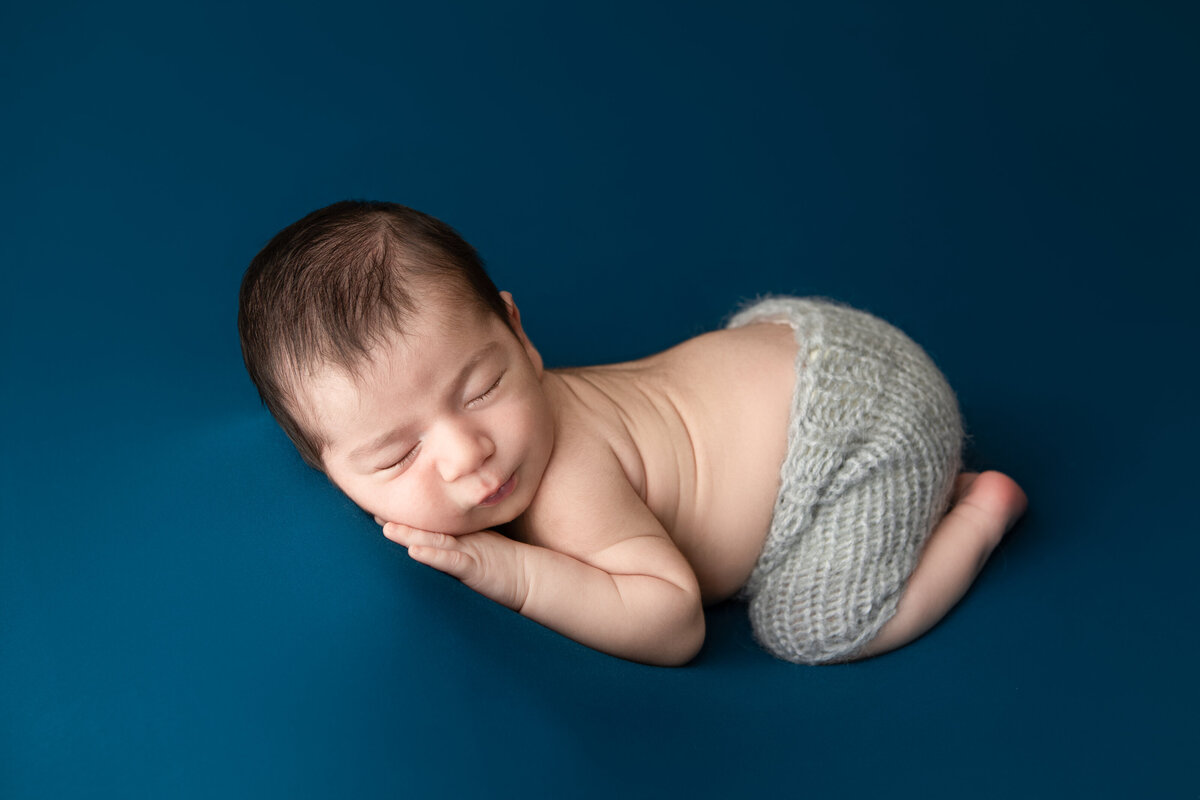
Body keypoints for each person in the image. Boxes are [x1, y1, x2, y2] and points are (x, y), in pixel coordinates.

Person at [238, 200, 1027, 667]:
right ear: (322, 467)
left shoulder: (567, 480)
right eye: (397, 454)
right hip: (798, 339)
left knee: (812, 628)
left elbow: (674, 620)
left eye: (484, 387)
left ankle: (977, 512)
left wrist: (504, 570)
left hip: (857, 435)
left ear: (519, 333)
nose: (464, 452)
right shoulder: (508, 426)